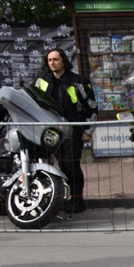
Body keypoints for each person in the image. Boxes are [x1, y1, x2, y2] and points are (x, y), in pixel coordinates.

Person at [35, 48, 97, 214]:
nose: (52, 63)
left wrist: (88, 131)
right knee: (49, 166)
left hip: (72, 130)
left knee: (70, 165)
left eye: (56, 59)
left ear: (63, 60)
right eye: (49, 60)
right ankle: (55, 200)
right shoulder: (42, 81)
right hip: (49, 131)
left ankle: (77, 201)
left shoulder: (78, 81)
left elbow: (91, 106)